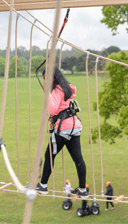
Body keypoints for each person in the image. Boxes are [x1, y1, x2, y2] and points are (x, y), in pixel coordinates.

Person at [35, 67, 87, 199]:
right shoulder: (67, 87)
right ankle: (82, 189)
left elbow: (52, 110)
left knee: (49, 156)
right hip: (74, 126)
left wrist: (47, 93)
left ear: (53, 77)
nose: (45, 81)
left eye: (47, 78)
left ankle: (43, 185)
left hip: (63, 128)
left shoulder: (56, 90)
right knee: (78, 158)